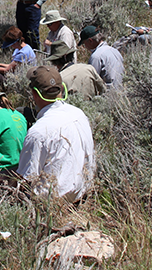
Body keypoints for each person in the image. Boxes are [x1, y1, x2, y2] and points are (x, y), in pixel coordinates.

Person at [15, 66, 95, 203]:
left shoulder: (38, 132)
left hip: (53, 202)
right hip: (83, 193)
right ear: (62, 89)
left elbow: (25, 180)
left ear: (34, 94)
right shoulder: (79, 114)